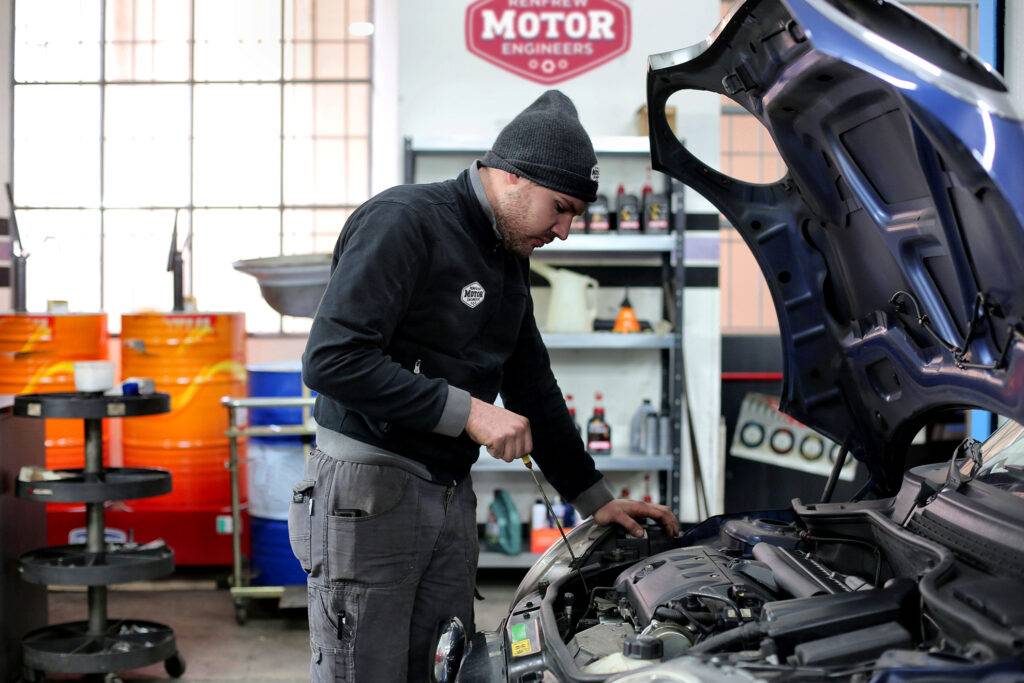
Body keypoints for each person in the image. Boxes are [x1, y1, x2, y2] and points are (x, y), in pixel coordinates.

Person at [296, 90, 680, 682]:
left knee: (449, 668)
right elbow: (331, 360)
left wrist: (595, 500)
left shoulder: (507, 255)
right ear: (511, 177)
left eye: (574, 214)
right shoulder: (405, 221)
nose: (566, 230)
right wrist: (468, 412)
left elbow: (532, 386)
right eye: (560, 208)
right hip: (368, 495)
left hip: (448, 491)